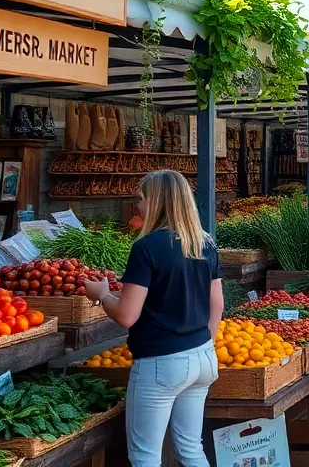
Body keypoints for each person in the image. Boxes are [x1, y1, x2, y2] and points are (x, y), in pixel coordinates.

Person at [82, 170, 221, 467]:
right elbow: (217, 305)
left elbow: (127, 316)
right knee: (191, 448)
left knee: (145, 456)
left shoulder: (146, 248)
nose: (139, 206)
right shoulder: (205, 243)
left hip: (161, 362)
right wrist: (197, 343)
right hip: (203, 358)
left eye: (142, 199)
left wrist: (101, 294)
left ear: (158, 202)